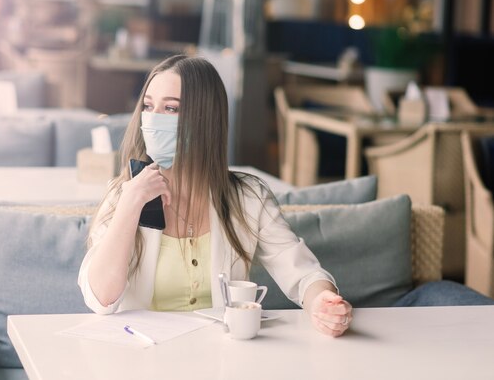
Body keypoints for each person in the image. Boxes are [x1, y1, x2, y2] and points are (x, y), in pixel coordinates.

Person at [78, 55, 352, 337]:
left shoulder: (248, 197)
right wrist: (130, 204)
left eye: (171, 108)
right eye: (148, 106)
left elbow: (302, 272)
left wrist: (323, 302)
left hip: (222, 359)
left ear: (204, 120)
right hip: (143, 357)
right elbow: (101, 299)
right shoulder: (123, 192)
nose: (153, 118)